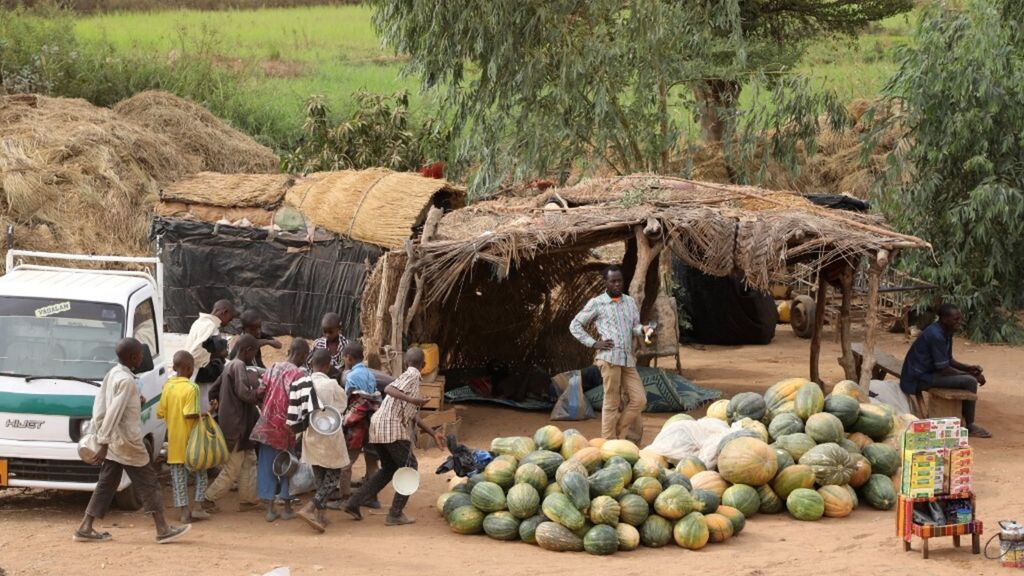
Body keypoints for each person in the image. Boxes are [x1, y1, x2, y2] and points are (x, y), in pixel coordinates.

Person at [73, 338, 191, 544]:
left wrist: (103, 432)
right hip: (126, 441)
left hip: (114, 442)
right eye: (140, 354)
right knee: (149, 483)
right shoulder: (126, 381)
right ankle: (162, 529)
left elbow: (102, 405)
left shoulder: (115, 374)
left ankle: (85, 527)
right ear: (133, 357)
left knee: (106, 484)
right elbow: (114, 412)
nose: (143, 357)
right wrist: (102, 441)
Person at [343, 347, 444, 526]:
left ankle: (354, 502)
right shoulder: (413, 375)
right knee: (410, 467)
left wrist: (433, 433)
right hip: (391, 428)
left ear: (406, 362)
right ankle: (395, 513)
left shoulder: (407, 379)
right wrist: (414, 400)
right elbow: (388, 388)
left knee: (389, 469)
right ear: (424, 365)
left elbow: (412, 415)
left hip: (379, 426)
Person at [570, 264, 653, 442]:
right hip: (609, 359)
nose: (617, 284)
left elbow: (634, 327)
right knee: (611, 402)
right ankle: (608, 441)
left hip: (627, 359)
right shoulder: (597, 303)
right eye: (613, 281)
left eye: (619, 281)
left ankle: (618, 429)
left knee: (639, 399)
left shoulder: (629, 302)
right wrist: (594, 342)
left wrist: (644, 329)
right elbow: (575, 325)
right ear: (605, 282)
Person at [900, 303, 991, 438]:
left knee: (969, 378)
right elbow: (944, 368)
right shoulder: (936, 335)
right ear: (944, 319)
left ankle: (968, 422)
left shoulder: (946, 332)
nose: (959, 322)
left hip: (928, 372)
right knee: (970, 382)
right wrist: (970, 375)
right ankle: (970, 425)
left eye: (959, 319)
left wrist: (968, 368)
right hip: (918, 379)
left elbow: (949, 360)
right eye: (955, 319)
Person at [250, 338, 309, 522]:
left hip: (267, 425)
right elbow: (301, 403)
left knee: (267, 465)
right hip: (286, 427)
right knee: (287, 465)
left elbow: (259, 392)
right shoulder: (299, 375)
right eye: (305, 356)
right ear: (300, 354)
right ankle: (288, 507)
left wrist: (266, 406)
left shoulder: (273, 367)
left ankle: (270, 509)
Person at [205, 334, 261, 512]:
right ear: (247, 350)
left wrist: (216, 401)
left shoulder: (229, 365)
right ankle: (208, 498)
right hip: (238, 425)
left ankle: (248, 500)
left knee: (249, 460)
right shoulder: (238, 365)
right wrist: (261, 393)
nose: (254, 356)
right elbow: (244, 393)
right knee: (234, 466)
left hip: (238, 424)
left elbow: (213, 389)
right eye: (254, 352)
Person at [295, 349, 350, 532]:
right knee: (333, 475)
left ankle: (320, 516)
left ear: (311, 363)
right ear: (327, 366)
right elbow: (342, 406)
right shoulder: (331, 384)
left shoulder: (303, 383)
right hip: (330, 435)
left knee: (319, 474)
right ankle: (311, 508)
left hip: (310, 435)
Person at [156, 351, 210, 524]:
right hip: (191, 442)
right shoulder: (191, 387)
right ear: (189, 368)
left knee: (178, 478)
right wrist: (206, 414)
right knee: (201, 473)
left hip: (174, 442)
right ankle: (199, 507)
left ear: (174, 367)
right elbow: (189, 414)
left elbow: (160, 412)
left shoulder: (168, 387)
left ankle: (184, 512)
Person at [336, 341, 381, 506]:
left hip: (357, 426)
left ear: (348, 358)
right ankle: (373, 498)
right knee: (371, 463)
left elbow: (346, 400)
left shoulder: (351, 376)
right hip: (372, 424)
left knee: (346, 464)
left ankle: (345, 499)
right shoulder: (370, 374)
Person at [181, 300, 236, 386]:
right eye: (229, 319)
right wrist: (218, 355)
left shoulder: (200, 322)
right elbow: (196, 352)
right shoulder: (210, 326)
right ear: (224, 312)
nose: (229, 323)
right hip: (197, 372)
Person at [307, 312, 347, 379]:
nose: (327, 335)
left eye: (330, 332)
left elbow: (347, 367)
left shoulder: (345, 345)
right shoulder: (318, 344)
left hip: (338, 380)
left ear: (339, 329)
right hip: (318, 377)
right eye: (325, 332)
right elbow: (309, 363)